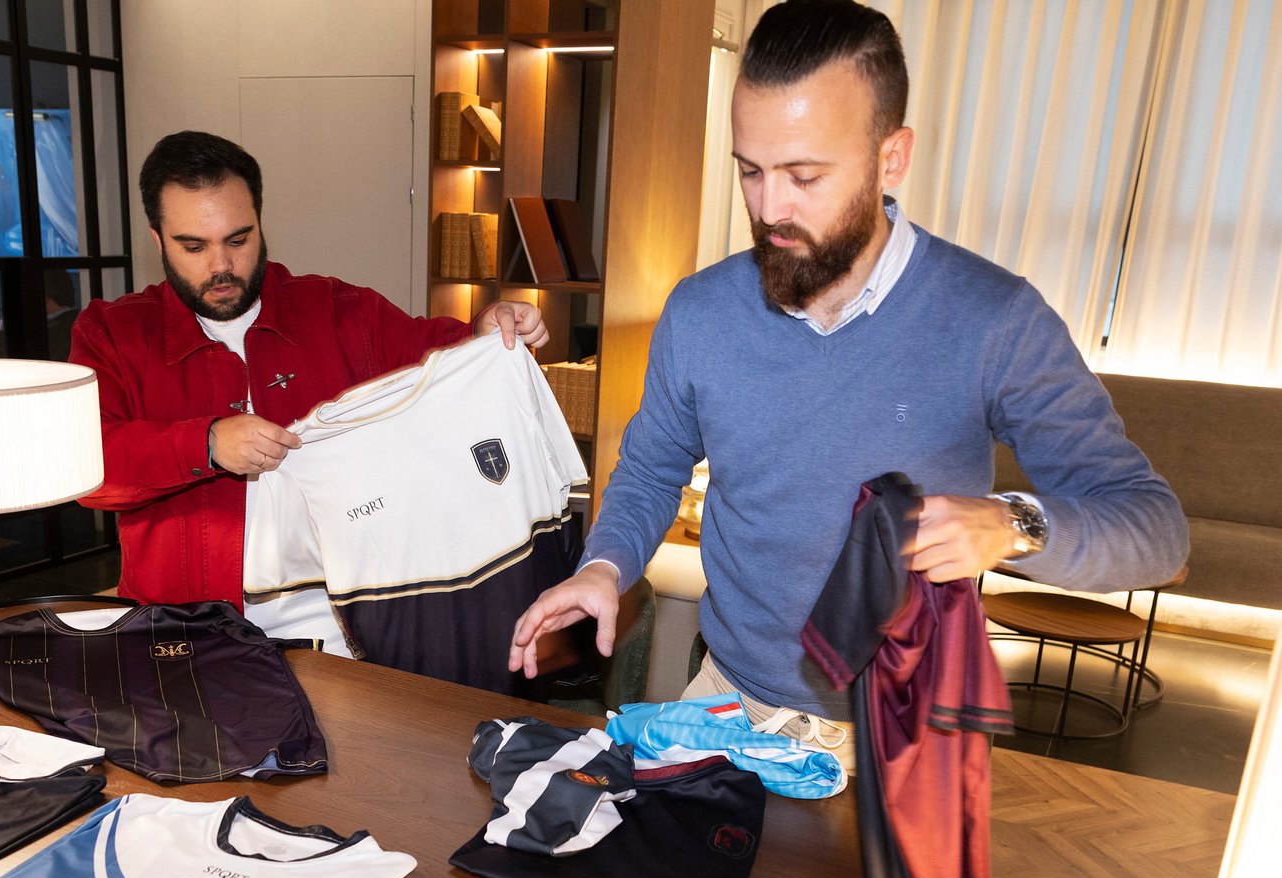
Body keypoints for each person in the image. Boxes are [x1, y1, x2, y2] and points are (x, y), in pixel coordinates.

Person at [508, 0, 1188, 773]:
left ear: (891, 159)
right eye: (750, 170)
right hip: (728, 707)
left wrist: (1012, 522)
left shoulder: (996, 319)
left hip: (913, 742)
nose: (769, 209)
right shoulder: (699, 313)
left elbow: (1156, 529)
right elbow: (650, 470)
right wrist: (604, 566)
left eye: (805, 176)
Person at [71, 131, 547, 624]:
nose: (221, 266)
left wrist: (487, 330)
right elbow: (83, 465)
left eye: (238, 240)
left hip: (345, 617)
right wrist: (206, 444)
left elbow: (438, 352)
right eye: (193, 246)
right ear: (157, 239)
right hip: (187, 627)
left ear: (261, 224)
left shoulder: (338, 311)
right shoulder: (114, 333)